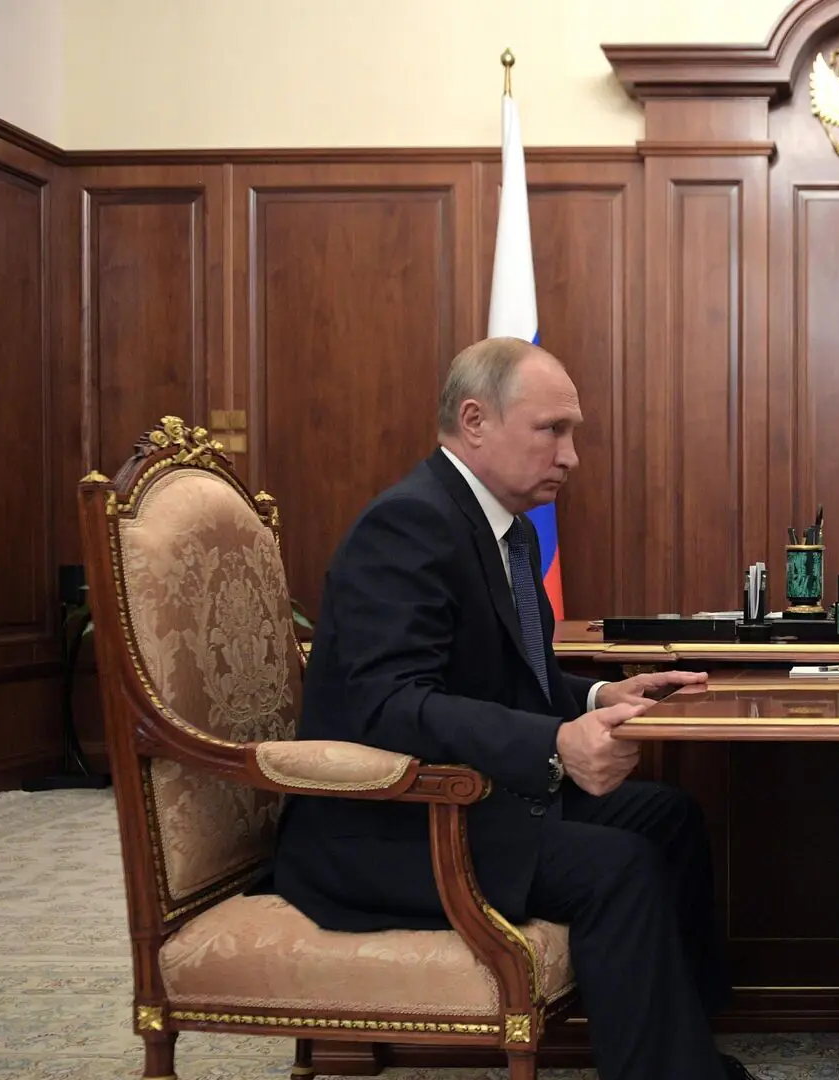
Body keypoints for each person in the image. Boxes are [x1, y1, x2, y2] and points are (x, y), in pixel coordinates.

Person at [270, 337, 746, 1080]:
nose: (571, 456)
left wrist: (601, 695)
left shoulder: (506, 527)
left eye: (572, 433)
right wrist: (558, 743)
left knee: (668, 818)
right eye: (552, 430)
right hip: (388, 824)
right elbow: (389, 705)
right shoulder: (408, 525)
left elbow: (510, 679)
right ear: (475, 421)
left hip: (472, 798)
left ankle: (681, 1045)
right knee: (618, 865)